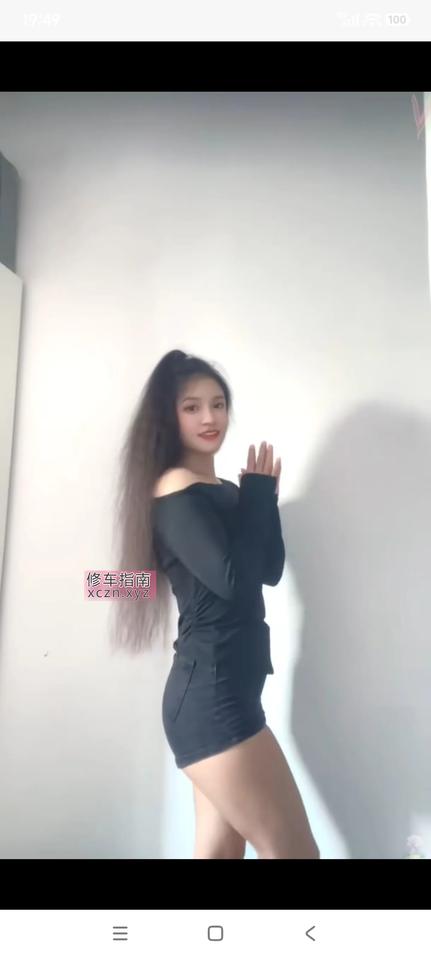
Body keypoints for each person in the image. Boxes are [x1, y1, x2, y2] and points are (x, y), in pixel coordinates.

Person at [111, 349, 320, 860]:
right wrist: (256, 498)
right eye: (192, 407)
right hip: (212, 699)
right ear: (168, 417)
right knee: (296, 853)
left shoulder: (221, 489)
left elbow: (267, 570)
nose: (210, 417)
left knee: (220, 854)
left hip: (226, 692)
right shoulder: (174, 491)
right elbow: (233, 581)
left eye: (218, 404)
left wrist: (262, 497)